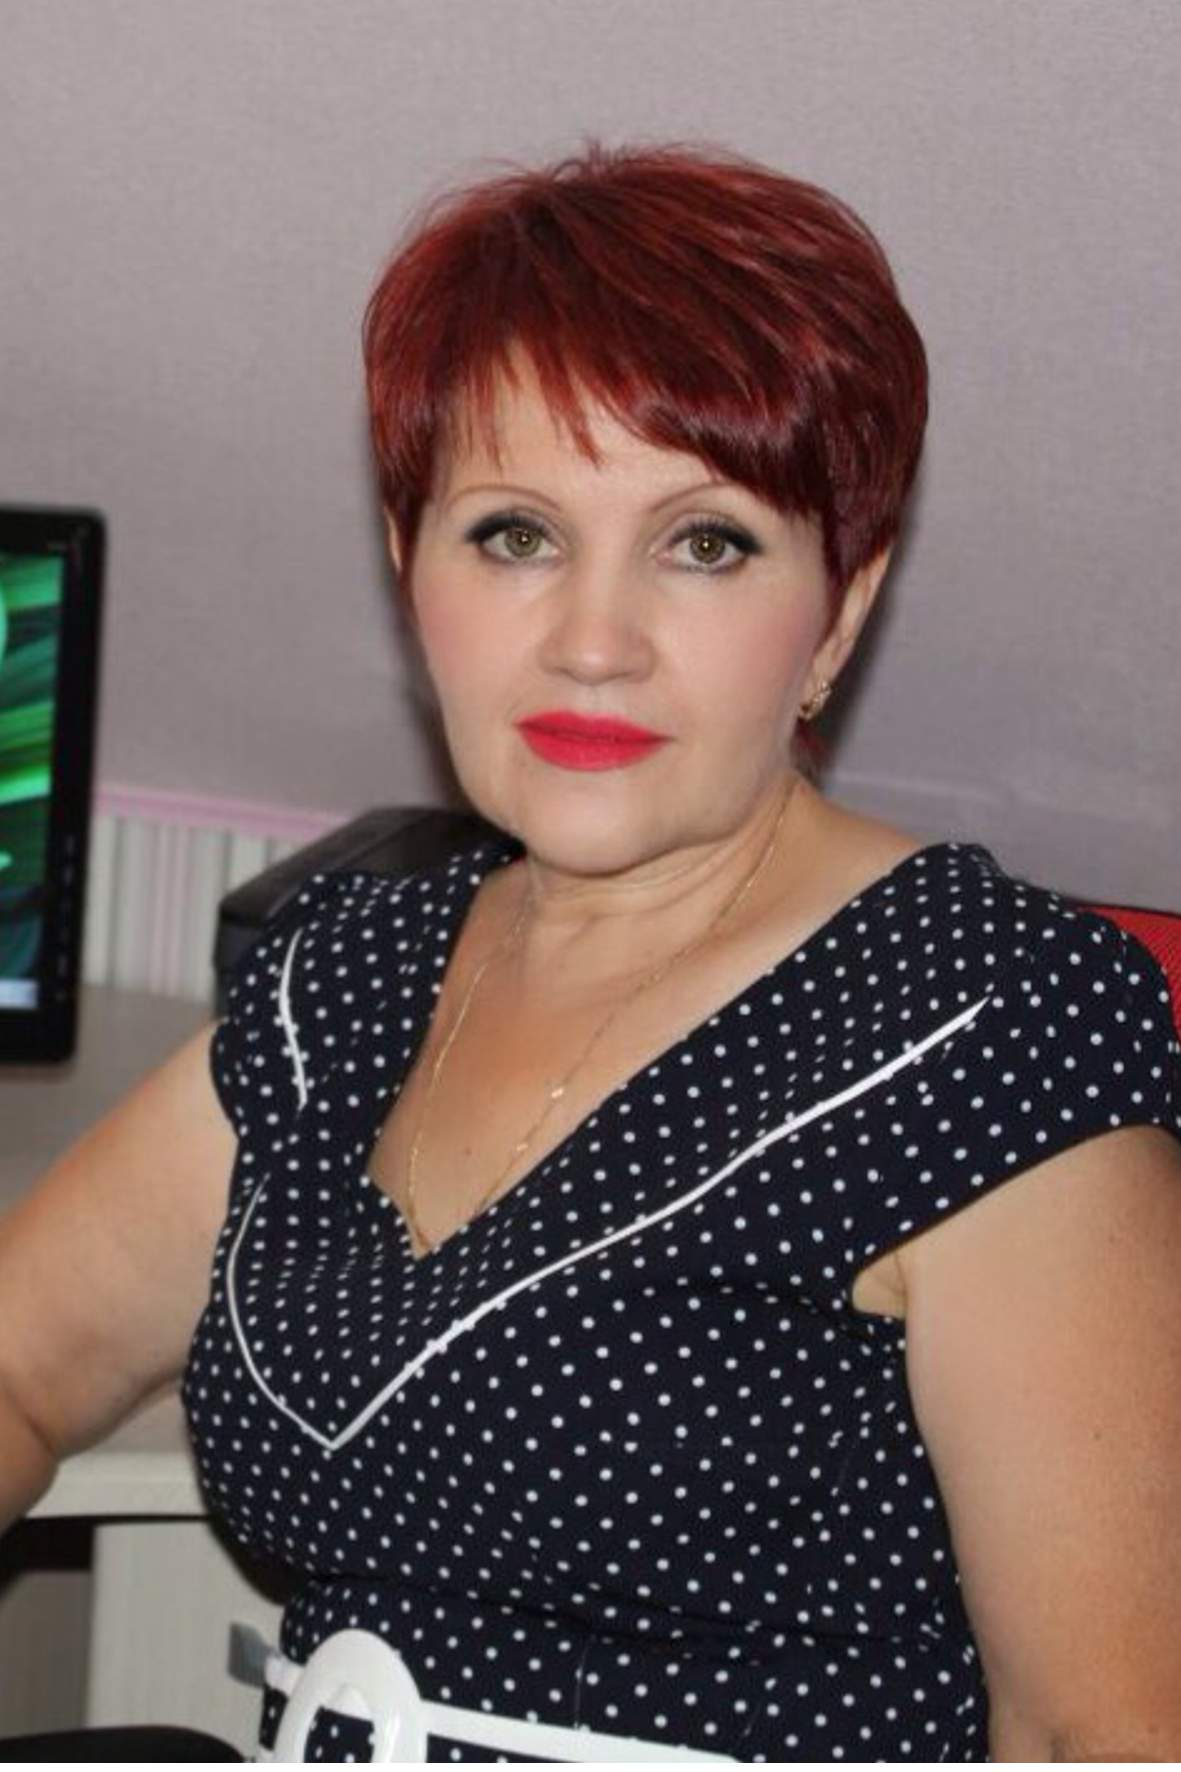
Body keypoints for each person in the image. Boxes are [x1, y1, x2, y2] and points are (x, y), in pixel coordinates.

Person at [2, 141, 1180, 1764]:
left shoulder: (984, 1029)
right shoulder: (346, 984)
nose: (592, 642)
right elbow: (22, 1366)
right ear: (409, 565)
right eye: (513, 535)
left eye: (706, 543)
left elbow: (1103, 1733)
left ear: (838, 609)